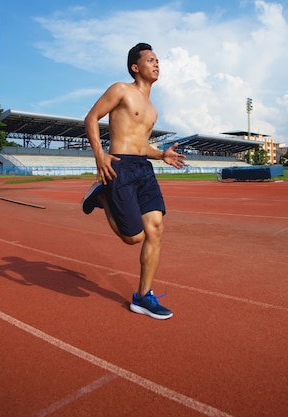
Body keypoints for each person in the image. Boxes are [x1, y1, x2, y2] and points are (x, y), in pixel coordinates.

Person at [81, 42, 185, 320]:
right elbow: (91, 117)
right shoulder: (120, 90)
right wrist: (99, 154)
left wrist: (161, 154)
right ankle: (100, 196)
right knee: (134, 237)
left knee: (156, 229)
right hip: (120, 166)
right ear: (135, 67)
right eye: (150, 60)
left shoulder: (153, 109)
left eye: (158, 60)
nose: (156, 64)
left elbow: (142, 145)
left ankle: (143, 297)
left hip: (144, 168)